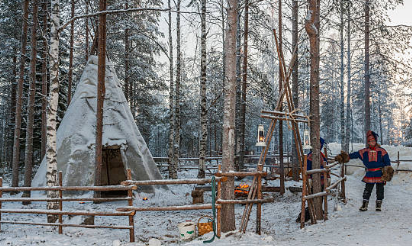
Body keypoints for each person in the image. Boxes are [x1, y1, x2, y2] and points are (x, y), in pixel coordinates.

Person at [335, 130, 391, 212]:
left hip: (380, 173)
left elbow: (387, 162)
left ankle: (378, 205)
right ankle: (364, 205)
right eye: (370, 141)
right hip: (370, 173)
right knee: (367, 189)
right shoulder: (364, 151)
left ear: (375, 141)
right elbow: (354, 155)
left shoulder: (382, 151)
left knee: (380, 190)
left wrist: (387, 172)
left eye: (373, 140)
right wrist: (344, 157)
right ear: (368, 142)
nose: (372, 142)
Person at [296, 138, 329, 222]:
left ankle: (317, 212)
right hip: (314, 181)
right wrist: (309, 178)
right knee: (313, 200)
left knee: (320, 199)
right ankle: (306, 215)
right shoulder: (310, 156)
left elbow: (326, 167)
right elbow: (307, 168)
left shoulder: (321, 156)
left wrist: (327, 176)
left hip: (321, 181)